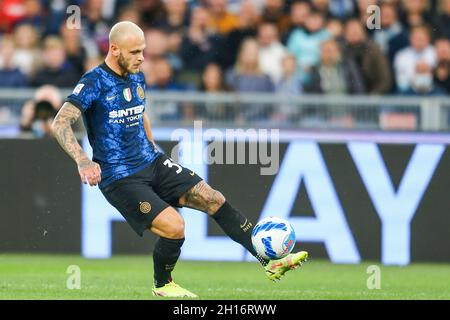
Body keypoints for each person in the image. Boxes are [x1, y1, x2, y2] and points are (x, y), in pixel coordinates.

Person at [51, 21, 308, 298]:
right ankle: (162, 285)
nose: (141, 58)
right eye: (135, 51)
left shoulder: (136, 75)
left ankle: (269, 261)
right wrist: (83, 160)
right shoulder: (94, 81)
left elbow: (140, 113)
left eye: (143, 51)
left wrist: (152, 146)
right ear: (114, 49)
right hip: (120, 176)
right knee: (175, 226)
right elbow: (60, 122)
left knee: (213, 198)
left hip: (151, 162)